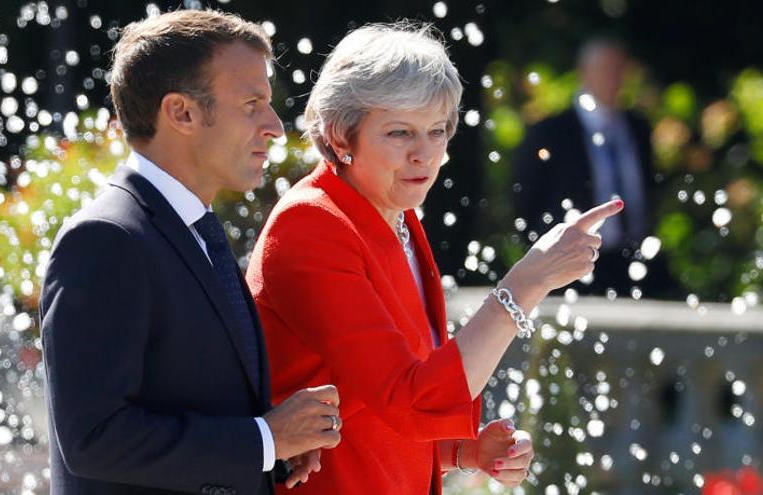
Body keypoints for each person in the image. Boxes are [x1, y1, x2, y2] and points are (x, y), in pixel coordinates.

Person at [246, 23, 623, 494]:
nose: (425, 155)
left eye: (438, 131)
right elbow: (408, 400)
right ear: (342, 134)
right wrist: (526, 283)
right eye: (400, 132)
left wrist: (464, 452)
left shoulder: (392, 214)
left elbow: (370, 410)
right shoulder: (312, 223)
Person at [40, 10, 342, 495]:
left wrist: (272, 453)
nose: (274, 126)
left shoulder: (195, 229)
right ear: (181, 112)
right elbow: (95, 440)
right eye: (252, 104)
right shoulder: (104, 239)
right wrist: (263, 439)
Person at [514, 37, 667, 295]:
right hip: (572, 266)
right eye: (605, 70)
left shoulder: (638, 128)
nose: (613, 78)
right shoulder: (552, 132)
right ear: (584, 73)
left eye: (619, 70)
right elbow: (525, 199)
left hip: (634, 260)